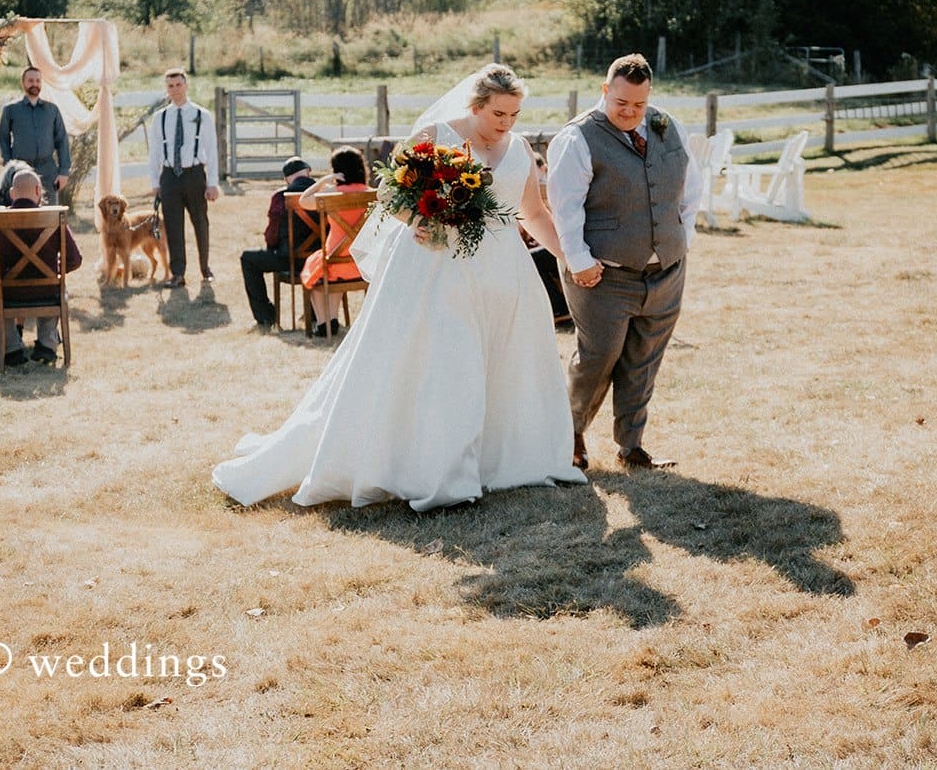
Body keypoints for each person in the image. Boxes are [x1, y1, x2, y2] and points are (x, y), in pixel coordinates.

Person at [212, 63, 588, 511]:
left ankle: (503, 461)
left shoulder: (520, 150)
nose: (505, 124)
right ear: (476, 105)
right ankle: (442, 471)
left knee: (505, 362)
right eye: (498, 114)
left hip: (505, 274)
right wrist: (422, 222)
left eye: (514, 115)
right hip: (438, 269)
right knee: (452, 362)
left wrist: (572, 257)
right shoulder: (436, 135)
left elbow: (535, 214)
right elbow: (390, 196)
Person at [547, 53, 705, 471]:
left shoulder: (669, 128)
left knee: (645, 356)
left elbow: (690, 191)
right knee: (598, 355)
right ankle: (569, 436)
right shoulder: (577, 138)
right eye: (621, 104)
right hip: (602, 275)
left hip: (666, 270)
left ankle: (631, 446)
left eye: (638, 105)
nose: (630, 113)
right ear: (605, 91)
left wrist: (680, 241)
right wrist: (579, 260)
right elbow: (565, 208)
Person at [0, 169, 82, 366]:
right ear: (38, 190)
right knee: (60, 289)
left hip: (7, 293)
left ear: (12, 193)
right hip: (46, 291)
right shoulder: (55, 217)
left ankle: (12, 348)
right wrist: (52, 271)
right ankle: (47, 345)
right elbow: (75, 259)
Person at [146, 68, 221, 287]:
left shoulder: (201, 115)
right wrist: (155, 182)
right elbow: (155, 152)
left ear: (186, 86)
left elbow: (212, 150)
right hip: (170, 175)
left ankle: (205, 267)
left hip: (194, 173)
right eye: (171, 86)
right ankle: (178, 273)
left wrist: (212, 183)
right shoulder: (160, 118)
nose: (175, 90)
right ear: (166, 89)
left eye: (179, 85)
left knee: (200, 222)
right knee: (173, 225)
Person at [297, 146, 371, 337]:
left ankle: (325, 321)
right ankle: (331, 320)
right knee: (326, 268)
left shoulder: (331, 194)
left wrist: (323, 181)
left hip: (335, 260)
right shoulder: (372, 194)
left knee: (317, 267)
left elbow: (303, 201)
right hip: (364, 262)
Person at [240, 156, 316, 330]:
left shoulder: (281, 197)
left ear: (287, 178)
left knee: (248, 259)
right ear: (308, 172)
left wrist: (272, 247)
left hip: (288, 259)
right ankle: (314, 313)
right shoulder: (324, 194)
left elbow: (271, 236)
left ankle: (266, 317)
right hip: (320, 259)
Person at [0, 67, 69, 205]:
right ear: (23, 83)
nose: (34, 84)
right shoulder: (11, 110)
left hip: (48, 172)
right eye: (30, 80)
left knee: (50, 217)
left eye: (38, 80)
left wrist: (64, 172)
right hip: (21, 172)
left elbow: (62, 140)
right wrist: (9, 165)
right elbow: (3, 138)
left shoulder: (52, 110)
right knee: (22, 215)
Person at [520, 150, 572, 327]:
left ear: (543, 169)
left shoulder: (551, 187)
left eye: (535, 169)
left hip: (559, 242)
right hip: (543, 242)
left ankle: (560, 308)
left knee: (533, 259)